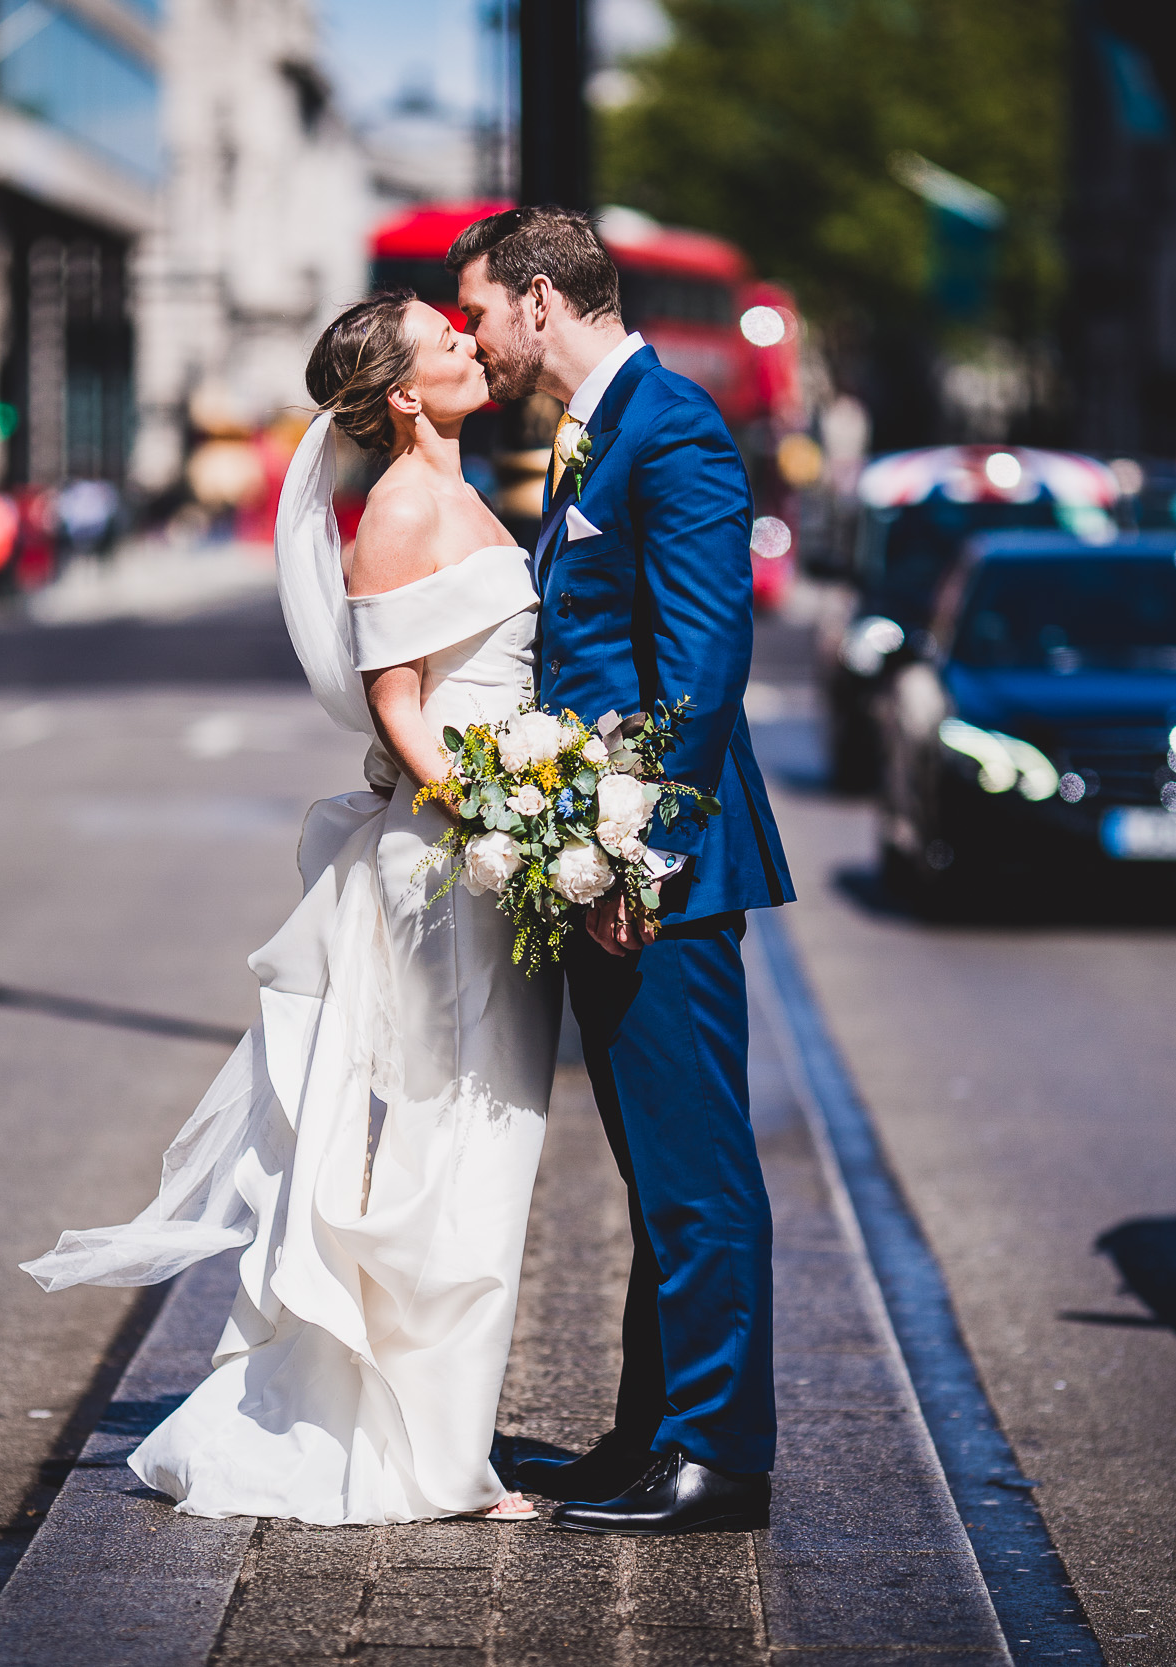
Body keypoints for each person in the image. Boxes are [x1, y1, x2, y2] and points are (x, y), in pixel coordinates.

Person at [20, 291, 558, 1526]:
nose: (474, 340)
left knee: (490, 1140)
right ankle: (420, 1455)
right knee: (441, 1143)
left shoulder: (466, 495)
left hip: (491, 849)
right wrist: (495, 818)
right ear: (407, 393)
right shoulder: (404, 510)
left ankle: (439, 1432)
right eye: (447, 341)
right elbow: (401, 708)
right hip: (450, 865)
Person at [451, 205, 791, 1536]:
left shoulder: (678, 425)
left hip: (664, 879)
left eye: (480, 308)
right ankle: (651, 1434)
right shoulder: (599, 426)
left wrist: (631, 857)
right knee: (659, 1172)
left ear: (541, 299)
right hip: (610, 865)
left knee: (700, 1173)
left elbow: (703, 673)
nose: (475, 338)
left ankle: (721, 1451)